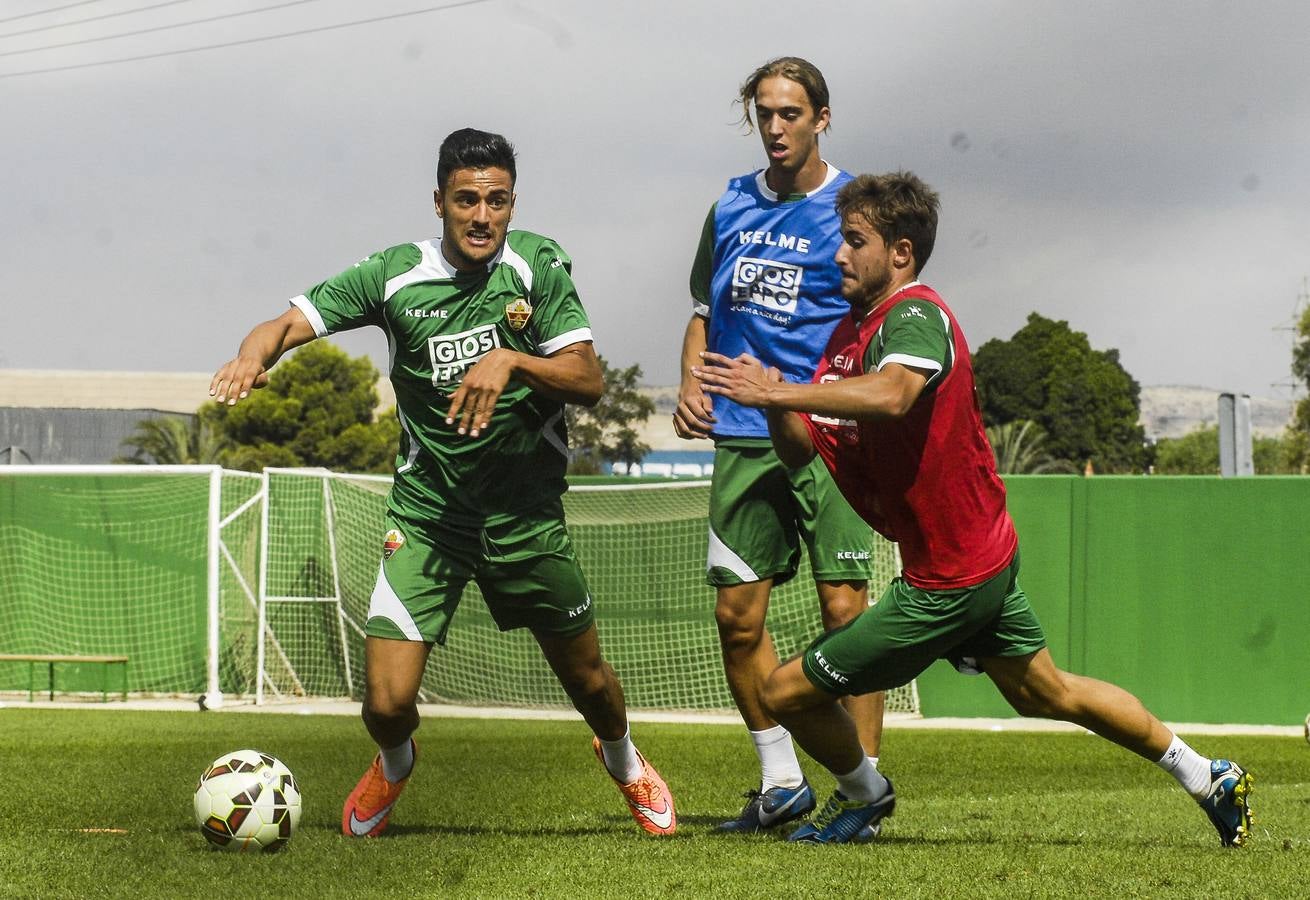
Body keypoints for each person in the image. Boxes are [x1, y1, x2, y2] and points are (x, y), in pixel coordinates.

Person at [692, 170, 1254, 847]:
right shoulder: (850, 331)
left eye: (853, 241)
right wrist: (775, 397)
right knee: (1046, 692)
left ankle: (865, 796)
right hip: (974, 558)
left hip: (949, 582)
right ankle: (1208, 775)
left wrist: (785, 396)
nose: (838, 254)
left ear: (900, 252)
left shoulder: (916, 314)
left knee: (784, 695)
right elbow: (800, 452)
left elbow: (898, 393)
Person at [210, 128, 676, 838]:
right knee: (386, 701)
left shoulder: (536, 267)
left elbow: (587, 378)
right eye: (466, 200)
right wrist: (251, 356)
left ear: (512, 204)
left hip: (525, 520)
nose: (482, 216)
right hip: (429, 518)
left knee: (588, 683)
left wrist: (514, 362)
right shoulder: (394, 275)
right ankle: (395, 765)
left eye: (497, 201)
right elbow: (284, 323)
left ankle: (623, 759)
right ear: (439, 203)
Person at [673, 56, 887, 836]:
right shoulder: (730, 203)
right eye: (764, 113)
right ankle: (782, 784)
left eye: (790, 113)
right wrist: (692, 378)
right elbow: (703, 306)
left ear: (822, 118)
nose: (775, 128)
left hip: (830, 439)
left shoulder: (854, 207)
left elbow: (884, 316)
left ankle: (863, 796)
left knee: (846, 616)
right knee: (737, 619)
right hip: (741, 435)